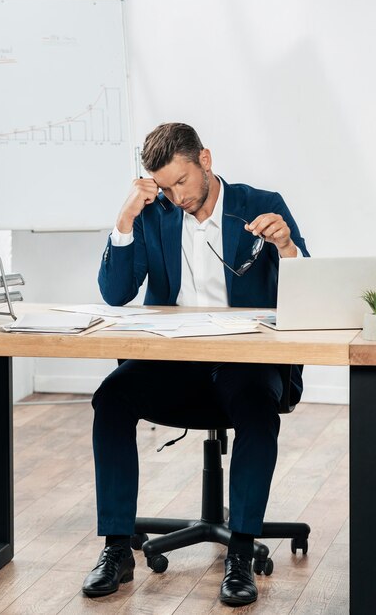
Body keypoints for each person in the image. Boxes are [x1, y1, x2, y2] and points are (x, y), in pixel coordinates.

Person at [82, 122, 309, 606]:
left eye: (180, 181)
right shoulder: (153, 212)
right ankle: (117, 548)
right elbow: (115, 294)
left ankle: (241, 555)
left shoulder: (259, 203)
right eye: (163, 186)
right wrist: (124, 219)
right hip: (175, 362)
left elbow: (306, 293)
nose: (174, 195)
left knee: (255, 410)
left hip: (245, 362)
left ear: (205, 160)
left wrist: (286, 247)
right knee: (111, 398)